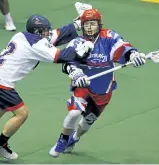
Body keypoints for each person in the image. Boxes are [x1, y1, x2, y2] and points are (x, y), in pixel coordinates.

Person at [0, 14, 94, 160]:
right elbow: (61, 56)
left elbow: (55, 36)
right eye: (45, 31)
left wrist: (77, 24)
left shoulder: (22, 35)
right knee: (22, 113)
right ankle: (0, 145)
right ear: (37, 32)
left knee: (2, 106)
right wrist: (80, 50)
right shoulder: (37, 45)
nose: (48, 33)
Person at [49, 8, 146, 158]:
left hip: (103, 87)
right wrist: (76, 73)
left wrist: (133, 55)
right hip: (83, 84)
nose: (89, 27)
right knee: (74, 113)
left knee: (87, 121)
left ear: (99, 24)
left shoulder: (109, 37)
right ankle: (63, 139)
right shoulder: (77, 42)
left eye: (93, 23)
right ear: (82, 25)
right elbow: (67, 62)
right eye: (86, 24)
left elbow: (123, 47)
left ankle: (74, 138)